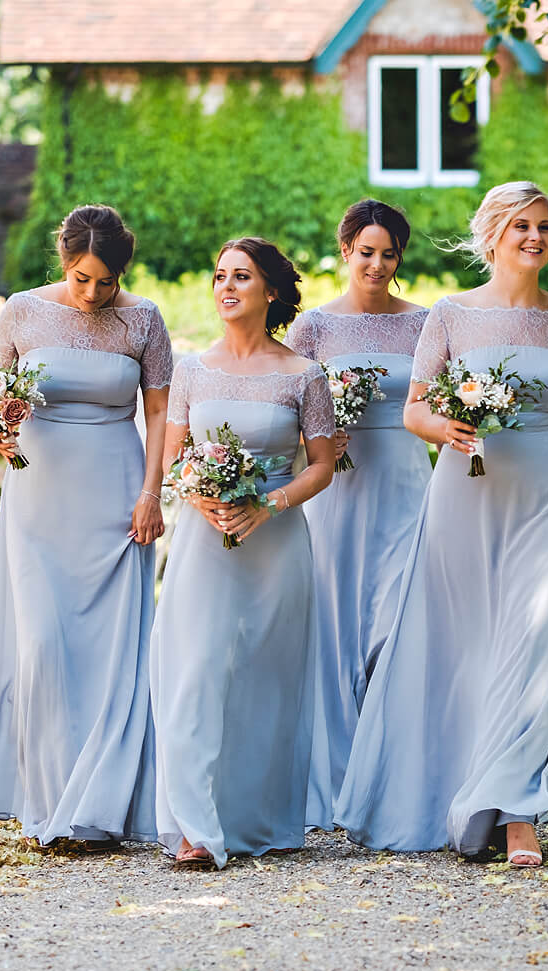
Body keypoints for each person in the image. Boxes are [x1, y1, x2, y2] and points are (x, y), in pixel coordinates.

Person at [335, 181, 548, 867]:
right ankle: (468, 792)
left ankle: (518, 810)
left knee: (535, 645)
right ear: (494, 234)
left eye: (546, 226)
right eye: (522, 225)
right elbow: (413, 410)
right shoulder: (451, 314)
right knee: (471, 650)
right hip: (467, 498)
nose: (536, 237)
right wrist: (448, 425)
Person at [0, 204, 168, 849]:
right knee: (42, 646)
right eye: (81, 278)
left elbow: (160, 415)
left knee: (111, 653)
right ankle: (50, 804)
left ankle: (99, 806)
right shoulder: (21, 310)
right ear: (64, 260)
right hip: (40, 496)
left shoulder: (145, 319)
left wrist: (151, 494)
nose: (94, 293)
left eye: (107, 281)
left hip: (117, 492)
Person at [151, 237, 336, 868]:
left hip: (277, 544)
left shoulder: (303, 375)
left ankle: (256, 820)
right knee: (195, 670)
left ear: (273, 292)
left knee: (265, 676)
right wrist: (202, 498)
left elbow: (322, 468)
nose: (227, 287)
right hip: (204, 542)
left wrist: (269, 505)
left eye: (242, 277)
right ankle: (195, 825)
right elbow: (175, 458)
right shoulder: (192, 370)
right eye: (220, 275)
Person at [286, 200, 430, 797]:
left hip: (404, 480)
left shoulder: (426, 323)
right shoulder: (314, 327)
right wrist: (314, 434)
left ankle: (391, 769)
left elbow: (438, 402)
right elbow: (281, 402)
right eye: (365, 251)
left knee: (395, 619)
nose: (376, 264)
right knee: (337, 619)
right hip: (337, 486)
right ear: (346, 251)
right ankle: (338, 773)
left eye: (388, 253)